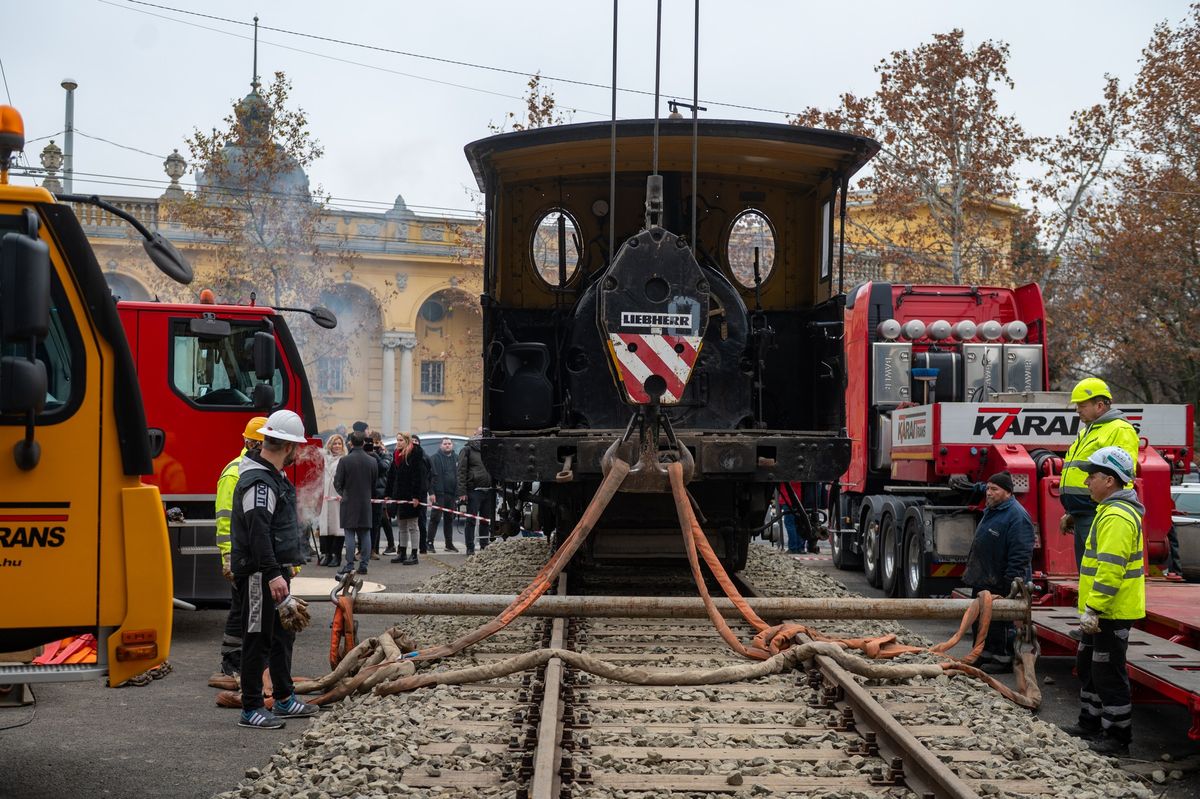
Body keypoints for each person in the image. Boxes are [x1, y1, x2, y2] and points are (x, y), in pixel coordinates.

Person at [230, 409, 319, 729]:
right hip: (259, 574)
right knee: (257, 638)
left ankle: (283, 697)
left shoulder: (272, 476)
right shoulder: (259, 482)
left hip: (272, 571)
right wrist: (272, 574)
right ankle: (251, 706)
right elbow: (258, 532)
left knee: (283, 635)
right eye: (297, 447)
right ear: (288, 446)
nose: (298, 453)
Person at [1061, 446, 1145, 755]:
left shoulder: (1117, 516)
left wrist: (1094, 607)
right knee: (1089, 666)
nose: (1086, 482)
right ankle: (1090, 722)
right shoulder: (1108, 511)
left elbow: (1110, 569)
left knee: (1108, 672)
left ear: (1110, 480)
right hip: (1102, 610)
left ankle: (1117, 737)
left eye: (1092, 476)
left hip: (1111, 610)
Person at [1059, 378, 1140, 567]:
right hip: (1085, 513)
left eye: (1082, 405)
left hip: (1097, 513)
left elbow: (1124, 475)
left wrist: (1111, 511)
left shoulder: (1120, 429)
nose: (1078, 410)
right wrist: (1072, 513)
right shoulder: (1087, 431)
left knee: (1098, 568)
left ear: (1100, 405)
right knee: (1087, 569)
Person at [960, 471, 1035, 675]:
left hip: (1001, 581)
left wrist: (1011, 582)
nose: (989, 493)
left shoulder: (1017, 516)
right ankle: (983, 654)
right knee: (981, 619)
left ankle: (1003, 658)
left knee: (999, 621)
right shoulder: (993, 510)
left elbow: (1021, 553)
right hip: (985, 577)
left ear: (1008, 492)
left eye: (994, 489)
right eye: (988, 488)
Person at [213, 415, 267, 680]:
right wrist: (227, 556)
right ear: (255, 444)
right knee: (240, 609)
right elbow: (224, 518)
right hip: (240, 556)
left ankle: (247, 660)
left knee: (251, 609)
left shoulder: (259, 469)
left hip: (253, 555)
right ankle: (232, 659)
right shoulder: (235, 473)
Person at [335, 431, 378, 576]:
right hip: (365, 501)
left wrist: (344, 494)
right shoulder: (372, 461)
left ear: (350, 443)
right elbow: (374, 482)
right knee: (365, 533)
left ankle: (349, 565)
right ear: (364, 443)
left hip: (349, 501)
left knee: (349, 533)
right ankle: (364, 565)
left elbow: (337, 482)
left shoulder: (344, 461)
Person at [387, 432, 426, 564]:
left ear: (407, 441)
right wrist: (388, 493)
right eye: (397, 440)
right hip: (399, 495)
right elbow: (391, 475)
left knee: (413, 525)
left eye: (401, 440)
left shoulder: (414, 454)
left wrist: (416, 496)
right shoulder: (397, 455)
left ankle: (414, 554)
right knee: (402, 525)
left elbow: (418, 476)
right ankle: (402, 552)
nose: (398, 443)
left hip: (411, 495)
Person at [458, 427, 495, 554]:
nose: (483, 436)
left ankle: (484, 545)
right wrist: (462, 492)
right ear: (475, 434)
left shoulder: (489, 449)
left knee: (485, 520)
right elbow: (461, 472)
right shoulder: (467, 449)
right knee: (471, 520)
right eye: (481, 434)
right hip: (474, 490)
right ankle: (470, 547)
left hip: (488, 490)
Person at [315, 434, 345, 568]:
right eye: (334, 443)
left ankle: (336, 555)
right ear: (330, 445)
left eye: (339, 443)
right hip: (325, 497)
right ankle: (327, 554)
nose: (337, 446)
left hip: (337, 497)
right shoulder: (324, 459)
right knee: (324, 527)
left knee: (337, 527)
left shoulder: (344, 460)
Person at [427, 437, 460, 552]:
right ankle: (429, 543)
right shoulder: (434, 458)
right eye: (445, 444)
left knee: (449, 520)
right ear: (440, 445)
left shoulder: (457, 458)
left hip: (452, 494)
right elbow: (429, 477)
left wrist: (458, 494)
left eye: (449, 443)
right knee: (435, 519)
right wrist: (431, 492)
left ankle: (449, 544)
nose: (447, 445)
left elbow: (459, 476)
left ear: (452, 445)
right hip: (438, 494)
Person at [366, 430, 395, 556]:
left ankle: (377, 548)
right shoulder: (365, 452)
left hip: (380, 491)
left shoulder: (385, 454)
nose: (374, 446)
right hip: (368, 491)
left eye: (376, 443)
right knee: (370, 521)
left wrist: (375, 454)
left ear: (380, 443)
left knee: (379, 520)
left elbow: (383, 467)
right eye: (371, 443)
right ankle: (372, 548)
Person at [411, 435, 432, 553]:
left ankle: (423, 547)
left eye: (416, 441)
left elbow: (431, 475)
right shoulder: (407, 457)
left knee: (422, 522)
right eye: (412, 441)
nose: (414, 443)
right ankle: (402, 548)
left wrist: (429, 490)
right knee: (407, 523)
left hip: (422, 494)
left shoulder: (425, 457)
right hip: (409, 494)